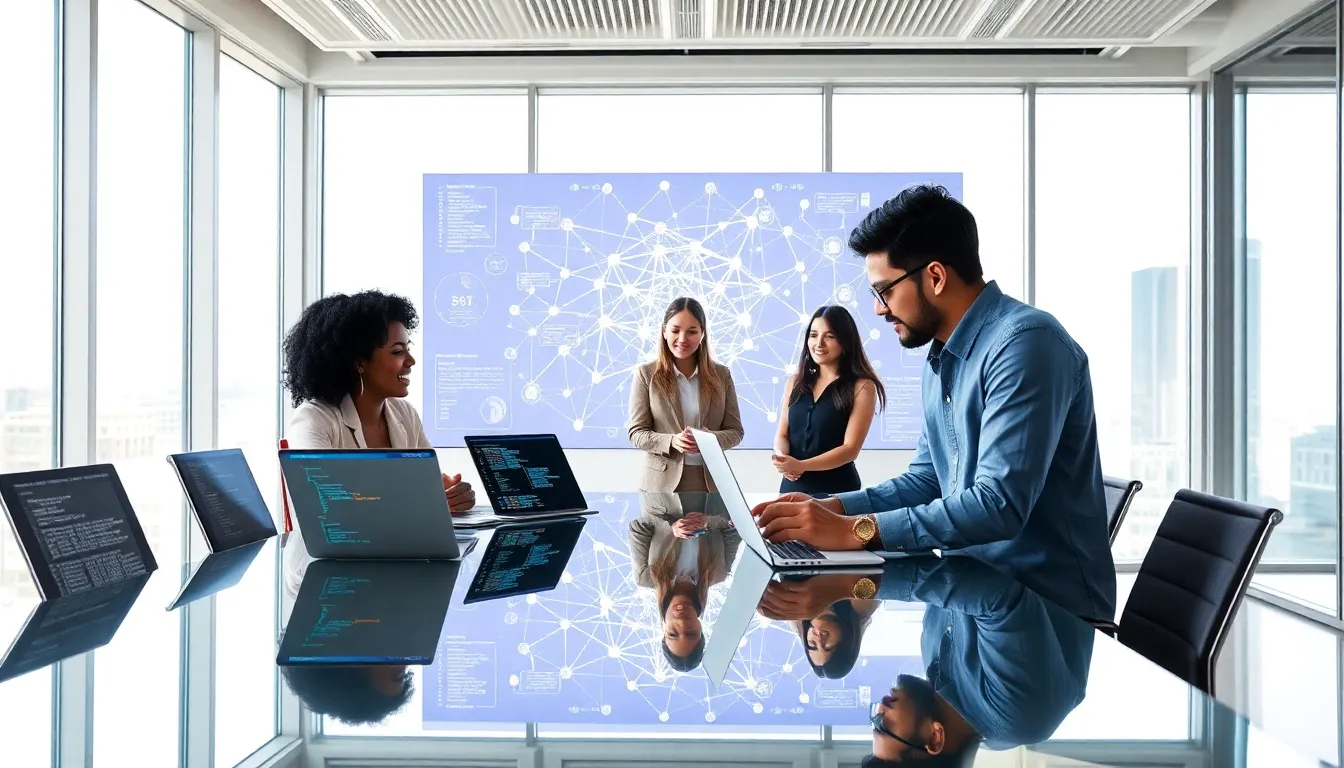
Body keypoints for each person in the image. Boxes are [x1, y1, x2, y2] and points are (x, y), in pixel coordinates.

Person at [751, 184, 1116, 622]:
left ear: (936, 277)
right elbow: (927, 480)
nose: (879, 311)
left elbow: (998, 505)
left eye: (884, 291)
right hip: (970, 596)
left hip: (1043, 617)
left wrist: (853, 531)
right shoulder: (942, 358)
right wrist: (836, 507)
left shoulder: (1025, 345)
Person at [758, 556, 1093, 766]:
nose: (878, 712)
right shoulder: (1019, 715)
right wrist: (848, 585)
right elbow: (997, 596)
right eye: (883, 727)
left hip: (985, 517)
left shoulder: (935, 670)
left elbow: (927, 560)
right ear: (935, 739)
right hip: (1033, 516)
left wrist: (812, 575)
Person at [280, 290, 476, 588]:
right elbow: (326, 511)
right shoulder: (314, 419)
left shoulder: (404, 414)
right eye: (398, 352)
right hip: (323, 579)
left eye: (407, 349)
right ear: (360, 362)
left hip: (393, 569)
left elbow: (427, 492)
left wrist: (449, 496)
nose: (410, 360)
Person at [628, 297, 744, 492]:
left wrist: (711, 439)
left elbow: (735, 431)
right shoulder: (646, 374)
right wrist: (673, 441)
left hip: (712, 484)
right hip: (660, 486)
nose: (682, 339)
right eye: (675, 330)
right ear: (664, 332)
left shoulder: (722, 375)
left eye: (692, 332)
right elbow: (636, 433)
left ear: (702, 334)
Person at [772, 305, 886, 496]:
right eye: (814, 335)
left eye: (830, 336)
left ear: (845, 341)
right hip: (791, 488)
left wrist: (802, 466)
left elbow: (850, 449)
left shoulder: (863, 387)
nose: (819, 343)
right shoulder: (795, 381)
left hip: (837, 492)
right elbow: (782, 434)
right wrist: (782, 458)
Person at [628, 493, 740, 672]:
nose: (681, 623)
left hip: (662, 482)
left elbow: (638, 527)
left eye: (673, 634)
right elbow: (734, 528)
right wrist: (708, 522)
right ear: (701, 629)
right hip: (710, 485)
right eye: (691, 633)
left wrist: (671, 528)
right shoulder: (718, 573)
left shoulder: (646, 577)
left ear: (664, 634)